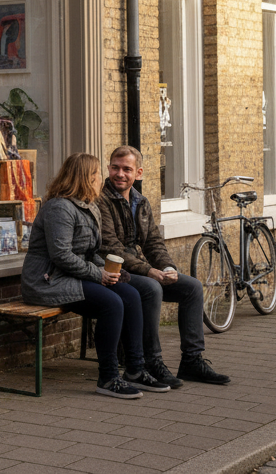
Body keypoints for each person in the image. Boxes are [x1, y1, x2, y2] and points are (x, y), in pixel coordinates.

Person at [21, 152, 169, 398]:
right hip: (48, 281)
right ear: (84, 177)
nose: (101, 178)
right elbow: (61, 256)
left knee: (130, 295)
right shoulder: (59, 208)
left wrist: (111, 272)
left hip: (74, 276)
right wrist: (98, 274)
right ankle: (108, 377)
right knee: (111, 303)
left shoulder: (89, 205)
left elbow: (92, 252)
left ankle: (135, 369)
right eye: (97, 173)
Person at [98, 146, 230, 387]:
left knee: (192, 287)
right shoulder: (101, 200)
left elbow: (154, 243)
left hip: (142, 270)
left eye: (127, 169)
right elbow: (111, 248)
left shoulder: (141, 201)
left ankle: (191, 360)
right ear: (108, 168)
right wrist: (149, 271)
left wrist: (168, 268)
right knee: (152, 288)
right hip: (116, 273)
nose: (120, 174)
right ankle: (150, 361)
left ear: (138, 173)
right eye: (115, 168)